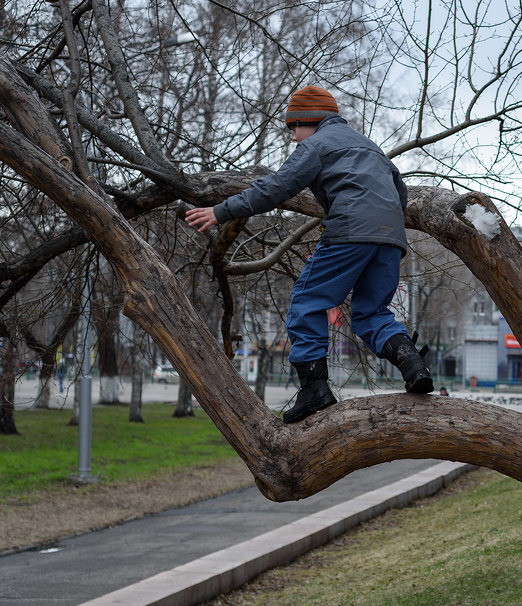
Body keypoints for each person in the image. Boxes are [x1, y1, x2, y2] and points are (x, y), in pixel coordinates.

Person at [185, 86, 432, 423]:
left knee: (307, 301)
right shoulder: (372, 148)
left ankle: (315, 390)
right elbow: (399, 193)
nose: (293, 138)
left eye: (293, 128)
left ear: (308, 120)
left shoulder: (316, 145)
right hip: (390, 238)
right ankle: (414, 365)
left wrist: (222, 210)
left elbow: (275, 187)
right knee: (371, 311)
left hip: (349, 231)